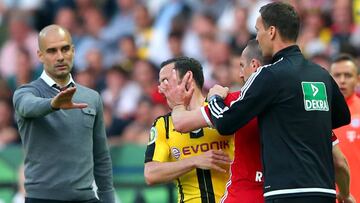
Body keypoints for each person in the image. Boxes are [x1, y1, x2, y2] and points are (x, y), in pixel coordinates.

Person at [164, 40, 354, 203]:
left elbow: (180, 123)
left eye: (241, 66)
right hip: (289, 192)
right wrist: (345, 194)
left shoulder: (233, 102)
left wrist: (178, 102)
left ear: (254, 65)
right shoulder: (299, 108)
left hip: (244, 195)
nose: (240, 74)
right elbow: (339, 162)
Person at [202, 2, 350, 202]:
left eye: (257, 31)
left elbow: (226, 123)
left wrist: (214, 99)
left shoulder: (269, 75)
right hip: (324, 191)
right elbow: (342, 117)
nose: (257, 38)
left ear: (271, 32)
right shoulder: (321, 74)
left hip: (285, 193)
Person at [12, 25, 115, 203]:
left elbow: (101, 156)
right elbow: (27, 106)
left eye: (65, 49)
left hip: (86, 198)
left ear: (73, 51)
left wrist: (108, 199)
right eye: (52, 51)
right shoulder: (25, 93)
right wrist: (53, 104)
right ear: (40, 55)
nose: (60, 56)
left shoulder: (92, 98)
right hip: (42, 199)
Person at [144, 57, 233, 203]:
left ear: (188, 78)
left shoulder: (221, 111)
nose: (160, 89)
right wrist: (193, 161)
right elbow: (150, 174)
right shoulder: (163, 125)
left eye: (165, 81)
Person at [330, 54, 360, 202]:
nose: (342, 80)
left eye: (347, 75)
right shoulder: (320, 112)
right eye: (337, 75)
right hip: (329, 195)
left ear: (358, 79)